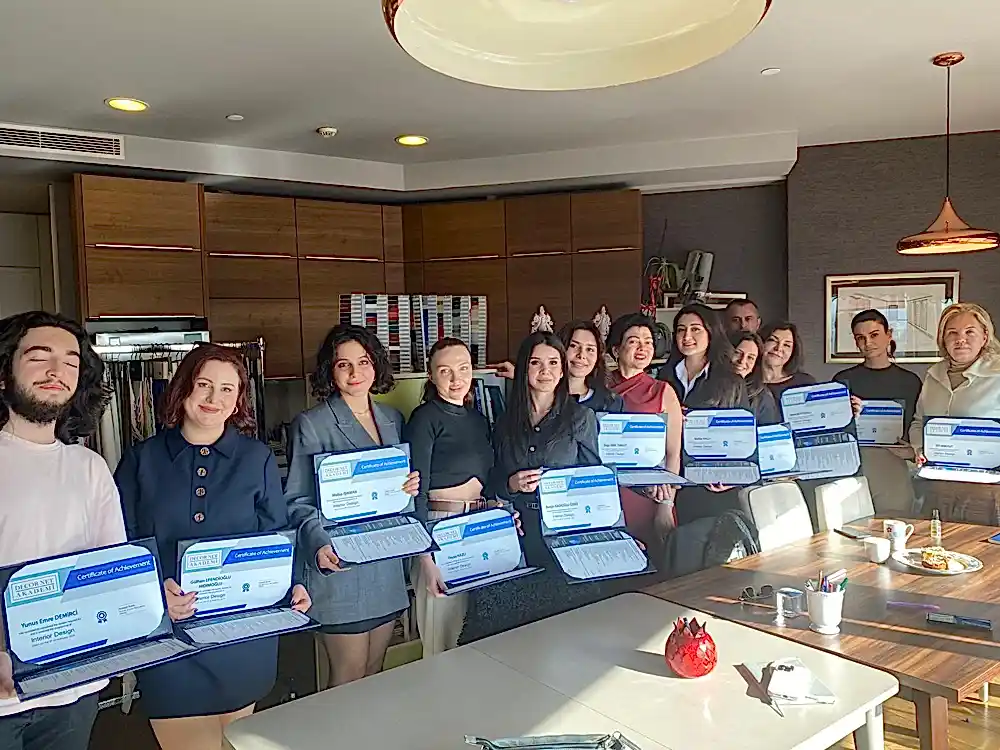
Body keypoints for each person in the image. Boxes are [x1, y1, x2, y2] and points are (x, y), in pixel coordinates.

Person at [114, 344, 311, 750]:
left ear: (238, 400)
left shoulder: (256, 458)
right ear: (183, 388)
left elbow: (276, 533)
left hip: (243, 636)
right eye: (203, 385)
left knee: (233, 743)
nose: (213, 398)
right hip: (171, 639)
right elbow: (122, 543)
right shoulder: (141, 460)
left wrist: (294, 583)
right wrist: (153, 592)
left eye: (226, 389)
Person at [0, 311, 126, 750]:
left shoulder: (89, 467)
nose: (57, 371)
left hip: (73, 687)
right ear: (4, 373)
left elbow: (112, 569)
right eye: (39, 357)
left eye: (71, 362)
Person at [285, 325, 419, 688]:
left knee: (374, 675)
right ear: (330, 371)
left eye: (363, 362)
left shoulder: (393, 418)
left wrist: (409, 487)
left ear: (376, 365)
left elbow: (396, 489)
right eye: (343, 364)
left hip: (385, 566)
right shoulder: (312, 424)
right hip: (340, 564)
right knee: (348, 678)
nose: (355, 372)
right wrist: (318, 544)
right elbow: (297, 500)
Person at [461, 332, 605, 642]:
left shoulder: (581, 418)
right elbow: (494, 480)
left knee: (565, 623)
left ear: (563, 370)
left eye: (553, 363)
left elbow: (597, 482)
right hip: (518, 529)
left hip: (564, 531)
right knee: (520, 626)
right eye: (536, 363)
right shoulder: (505, 422)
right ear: (524, 368)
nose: (545, 371)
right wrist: (511, 484)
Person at [402, 338, 494, 657]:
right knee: (442, 643)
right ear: (431, 376)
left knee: (476, 638)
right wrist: (425, 558)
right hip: (440, 529)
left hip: (479, 525)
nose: (456, 379)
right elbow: (415, 493)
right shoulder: (424, 418)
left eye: (463, 369)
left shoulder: (478, 419)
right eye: (445, 371)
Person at [910, 303, 1000, 525]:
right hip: (937, 487)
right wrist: (919, 449)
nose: (961, 339)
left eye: (970, 332)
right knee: (934, 544)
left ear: (985, 336)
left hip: (986, 491)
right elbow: (918, 423)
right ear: (943, 339)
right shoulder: (933, 376)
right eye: (952, 333)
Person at [833, 310, 922, 516]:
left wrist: (912, 451)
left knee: (894, 523)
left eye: (874, 335)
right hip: (853, 463)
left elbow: (916, 426)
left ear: (889, 335)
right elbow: (833, 429)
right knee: (849, 526)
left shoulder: (909, 381)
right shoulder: (843, 380)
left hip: (892, 464)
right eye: (860, 338)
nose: (868, 343)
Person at [606, 314, 684, 540]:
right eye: (633, 341)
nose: (643, 348)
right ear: (616, 350)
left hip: (650, 493)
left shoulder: (663, 391)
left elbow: (673, 454)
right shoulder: (599, 387)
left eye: (648, 342)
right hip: (605, 489)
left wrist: (666, 505)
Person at [658, 303, 749, 410]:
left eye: (695, 329)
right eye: (681, 330)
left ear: (711, 332)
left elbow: (743, 419)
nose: (687, 337)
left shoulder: (732, 381)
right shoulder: (664, 376)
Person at [558, 320, 625, 413]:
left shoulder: (612, 403)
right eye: (573, 346)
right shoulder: (544, 399)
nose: (581, 355)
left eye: (589, 349)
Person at [729, 331, 780, 425]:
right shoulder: (706, 383)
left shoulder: (763, 397)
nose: (742, 361)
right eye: (737, 353)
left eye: (750, 358)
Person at [759, 321, 817, 403]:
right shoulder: (745, 383)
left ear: (793, 352)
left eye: (786, 345)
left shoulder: (805, 383)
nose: (778, 348)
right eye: (773, 340)